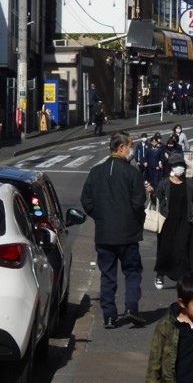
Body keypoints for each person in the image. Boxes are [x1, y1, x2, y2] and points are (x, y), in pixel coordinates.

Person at [80, 130, 147, 329]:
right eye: (130, 145)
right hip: (128, 234)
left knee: (107, 275)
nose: (131, 149)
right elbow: (139, 203)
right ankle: (131, 308)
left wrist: (100, 217)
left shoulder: (95, 172)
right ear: (121, 148)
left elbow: (86, 200)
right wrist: (136, 220)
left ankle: (109, 316)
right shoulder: (132, 173)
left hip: (104, 233)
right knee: (133, 271)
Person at [153, 153, 193, 290]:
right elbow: (156, 201)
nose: (180, 168)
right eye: (176, 165)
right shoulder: (164, 183)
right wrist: (152, 193)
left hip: (184, 220)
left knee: (182, 249)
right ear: (171, 167)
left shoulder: (189, 184)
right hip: (167, 221)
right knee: (165, 249)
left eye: (181, 165)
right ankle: (160, 274)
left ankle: (183, 278)